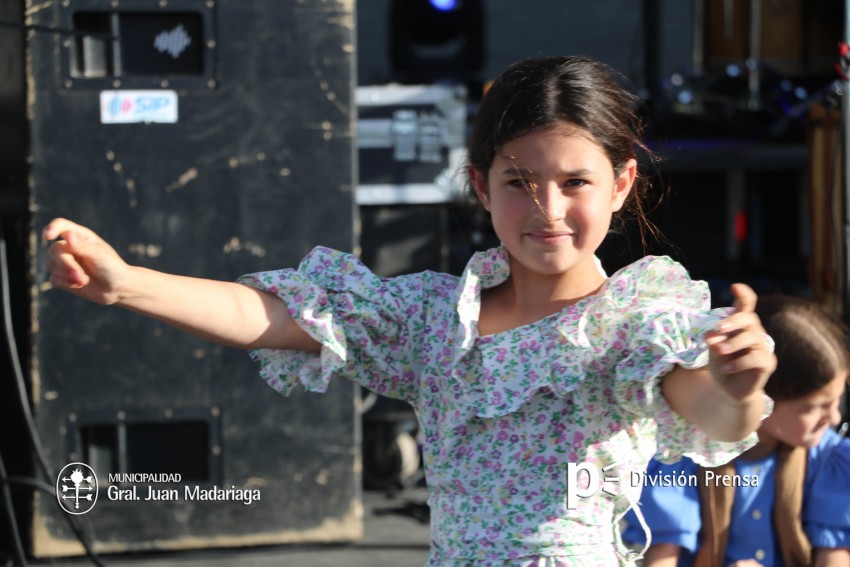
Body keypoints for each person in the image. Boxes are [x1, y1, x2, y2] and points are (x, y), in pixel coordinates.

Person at [43, 56, 777, 566]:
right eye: (520, 181)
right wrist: (126, 282)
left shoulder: (635, 316)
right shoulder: (433, 316)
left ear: (620, 185)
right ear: (481, 187)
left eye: (574, 181)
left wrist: (738, 388)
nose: (547, 209)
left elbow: (709, 409)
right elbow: (271, 312)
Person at [622, 294, 850, 567]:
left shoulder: (830, 463)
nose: (834, 417)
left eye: (838, 401)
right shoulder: (682, 462)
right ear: (766, 397)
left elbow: (835, 554)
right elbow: (663, 555)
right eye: (815, 407)